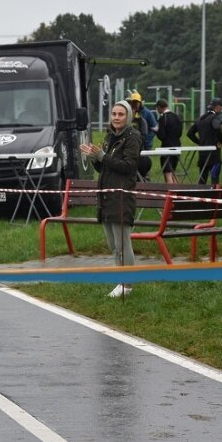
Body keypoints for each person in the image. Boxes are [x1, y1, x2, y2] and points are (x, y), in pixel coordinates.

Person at [79, 100, 141, 298]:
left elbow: (128, 166)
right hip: (106, 196)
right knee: (113, 245)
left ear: (128, 116)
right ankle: (120, 281)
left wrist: (103, 156)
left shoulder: (133, 137)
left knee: (123, 244)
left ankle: (127, 285)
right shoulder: (109, 137)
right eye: (114, 114)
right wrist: (95, 158)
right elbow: (105, 167)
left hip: (122, 196)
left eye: (121, 114)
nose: (116, 117)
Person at [186, 98, 222, 186]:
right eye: (221, 108)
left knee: (202, 179)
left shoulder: (201, 118)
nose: (221, 110)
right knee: (215, 177)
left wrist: (199, 142)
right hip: (214, 153)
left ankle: (201, 197)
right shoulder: (214, 118)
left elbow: (190, 133)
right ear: (217, 107)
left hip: (202, 153)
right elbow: (217, 128)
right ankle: (214, 197)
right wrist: (221, 141)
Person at [128, 91, 157, 180]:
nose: (135, 104)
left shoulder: (147, 113)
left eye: (137, 102)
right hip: (131, 145)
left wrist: (147, 139)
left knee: (144, 164)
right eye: (133, 102)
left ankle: (145, 178)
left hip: (145, 144)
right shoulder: (128, 113)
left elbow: (155, 128)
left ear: (140, 103)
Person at [155, 99, 184, 183]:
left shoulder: (163, 118)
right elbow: (180, 133)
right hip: (177, 146)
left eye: (157, 109)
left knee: (167, 173)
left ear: (159, 107)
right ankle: (178, 193)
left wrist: (156, 131)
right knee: (173, 172)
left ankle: (170, 193)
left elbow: (162, 136)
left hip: (166, 148)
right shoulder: (177, 117)